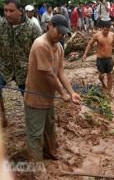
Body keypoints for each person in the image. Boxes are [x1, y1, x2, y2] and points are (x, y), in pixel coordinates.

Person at [24, 14, 82, 161]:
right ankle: (37, 167)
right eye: (59, 31)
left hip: (48, 98)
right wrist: (63, 94)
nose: (61, 35)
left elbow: (60, 72)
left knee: (50, 129)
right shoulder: (41, 45)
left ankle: (51, 153)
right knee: (35, 134)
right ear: (50, 26)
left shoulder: (59, 47)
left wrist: (72, 92)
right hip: (35, 98)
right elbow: (49, 75)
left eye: (63, 33)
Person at [0, 0, 41, 127]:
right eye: (5, 10)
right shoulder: (1, 25)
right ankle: (2, 117)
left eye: (11, 10)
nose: (7, 14)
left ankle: (32, 124)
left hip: (25, 70)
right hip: (4, 67)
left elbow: (40, 51)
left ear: (20, 11)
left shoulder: (32, 28)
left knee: (30, 99)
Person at [82, 21, 114, 93]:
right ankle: (102, 82)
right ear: (101, 28)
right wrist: (85, 54)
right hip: (100, 59)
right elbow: (90, 44)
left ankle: (109, 91)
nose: (106, 31)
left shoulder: (112, 35)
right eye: (105, 30)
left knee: (109, 75)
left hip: (109, 59)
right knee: (101, 76)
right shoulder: (97, 35)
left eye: (108, 30)